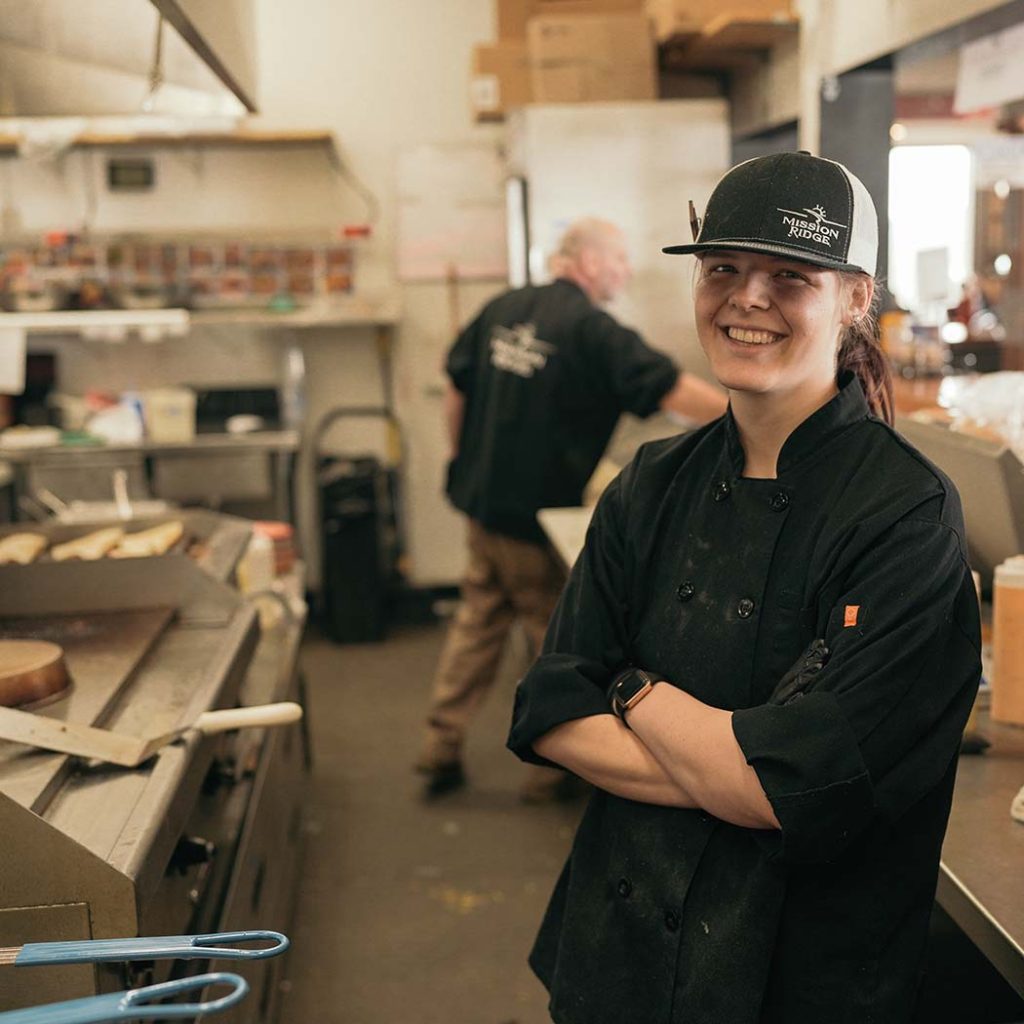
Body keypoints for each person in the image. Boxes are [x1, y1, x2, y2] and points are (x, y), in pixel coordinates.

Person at [508, 153, 982, 1022]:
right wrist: (725, 756)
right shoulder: (649, 482)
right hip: (616, 963)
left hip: (798, 978)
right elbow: (547, 710)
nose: (746, 298)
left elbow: (784, 787)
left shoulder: (906, 516)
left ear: (853, 298)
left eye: (789, 276)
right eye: (723, 268)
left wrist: (630, 689)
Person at [416, 217, 728, 801]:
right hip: (533, 516)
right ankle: (550, 767)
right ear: (587, 262)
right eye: (617, 260)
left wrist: (460, 460)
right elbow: (669, 390)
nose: (625, 271)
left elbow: (455, 386)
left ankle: (440, 743)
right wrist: (748, 419)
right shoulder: (591, 328)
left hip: (482, 503)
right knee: (548, 633)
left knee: (478, 621)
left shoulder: (503, 307)